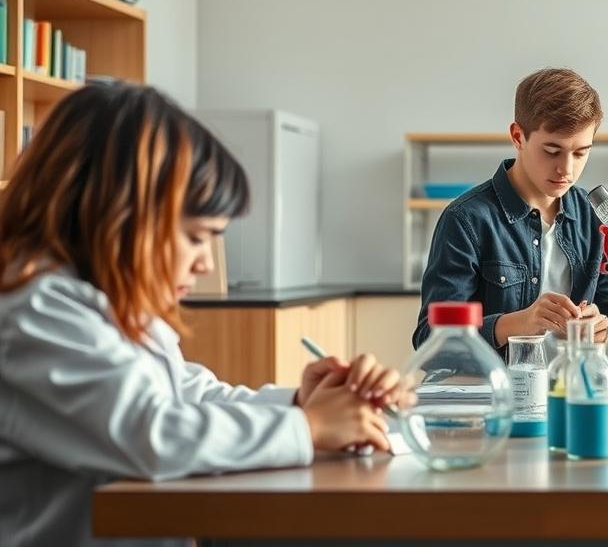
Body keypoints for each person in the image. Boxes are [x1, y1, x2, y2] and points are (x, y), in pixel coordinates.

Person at [0, 82, 413, 547]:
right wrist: (310, 427)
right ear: (121, 216)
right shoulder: (32, 314)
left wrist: (300, 402)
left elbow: (190, 397)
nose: (207, 264)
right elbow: (151, 433)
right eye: (197, 237)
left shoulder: (112, 308)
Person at [413, 68, 608, 354]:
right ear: (518, 136)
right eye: (552, 151)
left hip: (575, 388)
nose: (566, 170)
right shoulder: (466, 220)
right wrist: (517, 324)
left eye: (581, 152)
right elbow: (429, 340)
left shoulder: (596, 220)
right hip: (495, 394)